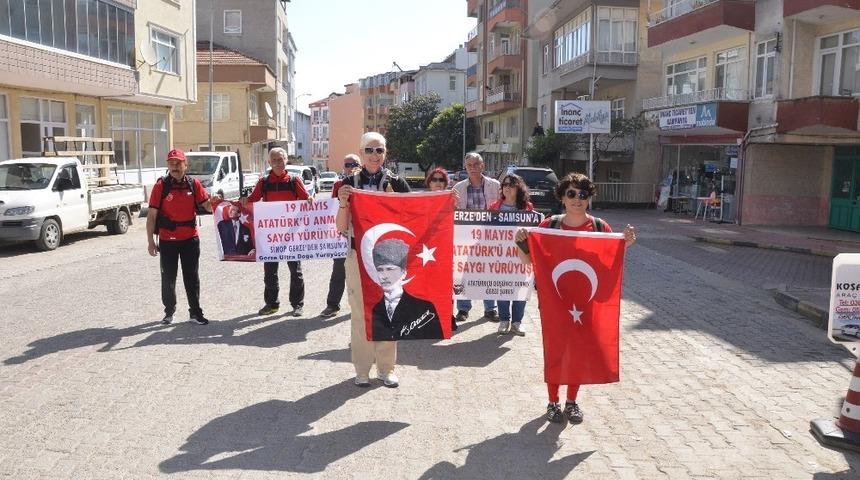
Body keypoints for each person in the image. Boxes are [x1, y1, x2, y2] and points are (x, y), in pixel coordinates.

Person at [515, 172, 636, 425]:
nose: (577, 199)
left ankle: (571, 402)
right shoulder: (550, 226)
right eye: (571, 193)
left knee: (578, 351)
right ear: (562, 197)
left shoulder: (601, 228)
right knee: (557, 348)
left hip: (586, 302)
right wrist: (520, 244)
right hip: (555, 301)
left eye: (583, 194)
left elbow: (608, 265)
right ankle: (552, 402)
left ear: (589, 198)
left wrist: (624, 244)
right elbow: (530, 261)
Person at [336, 132, 411, 388]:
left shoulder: (397, 183)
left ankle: (386, 368)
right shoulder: (348, 183)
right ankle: (362, 369)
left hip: (388, 257)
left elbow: (415, 212)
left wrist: (446, 203)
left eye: (379, 150)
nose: (374, 156)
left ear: (386, 153)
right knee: (359, 314)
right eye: (369, 150)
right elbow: (340, 227)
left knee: (388, 311)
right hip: (357, 256)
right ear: (361, 152)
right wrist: (344, 203)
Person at [146, 148, 219, 325]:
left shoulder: (194, 184)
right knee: (168, 277)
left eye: (178, 163)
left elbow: (207, 207)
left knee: (192, 277)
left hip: (190, 240)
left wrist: (213, 201)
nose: (175, 167)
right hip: (167, 240)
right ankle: (169, 312)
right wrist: (150, 242)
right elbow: (152, 216)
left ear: (185, 165)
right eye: (171, 164)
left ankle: (195, 312)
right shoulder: (160, 186)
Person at [243, 147, 310, 317]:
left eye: (281, 159)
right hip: (271, 237)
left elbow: (308, 202)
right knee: (270, 273)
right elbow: (251, 201)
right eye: (275, 160)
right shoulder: (263, 182)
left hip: (292, 235)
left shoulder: (295, 181)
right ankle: (272, 304)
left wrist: (310, 200)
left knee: (296, 272)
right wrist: (242, 201)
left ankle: (297, 305)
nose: (278, 163)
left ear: (286, 160)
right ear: (269, 163)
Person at [451, 152, 500, 324]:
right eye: (469, 165)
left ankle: (490, 309)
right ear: (465, 167)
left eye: (476, 164)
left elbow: (502, 208)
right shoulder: (458, 188)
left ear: (482, 166)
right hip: (465, 238)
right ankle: (463, 309)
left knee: (488, 272)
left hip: (489, 236)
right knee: (463, 273)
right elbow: (452, 211)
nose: (472, 168)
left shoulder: (495, 186)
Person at [488, 173, 535, 336]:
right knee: (502, 288)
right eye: (505, 184)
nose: (507, 187)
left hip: (520, 255)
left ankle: (517, 322)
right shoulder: (494, 206)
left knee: (520, 288)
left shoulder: (527, 207)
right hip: (500, 256)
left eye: (511, 184)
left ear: (518, 188)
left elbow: (532, 231)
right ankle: (504, 320)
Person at [370, 239, 442, 340]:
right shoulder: (375, 308)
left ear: (404, 273)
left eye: (390, 269)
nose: (384, 276)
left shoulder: (424, 307)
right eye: (380, 270)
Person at [320, 154, 362, 318]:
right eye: (347, 164)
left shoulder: (366, 182)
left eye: (355, 164)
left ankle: (363, 307)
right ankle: (332, 305)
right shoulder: (339, 184)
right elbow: (330, 208)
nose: (351, 167)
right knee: (338, 271)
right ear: (343, 167)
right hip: (343, 235)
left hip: (363, 233)